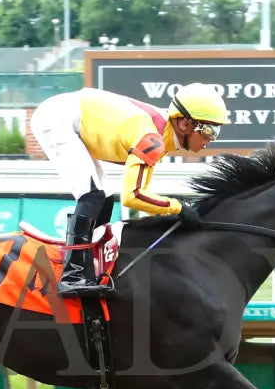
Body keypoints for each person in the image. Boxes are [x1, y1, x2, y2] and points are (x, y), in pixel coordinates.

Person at [29, 82, 231, 297]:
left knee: (104, 198)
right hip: (57, 118)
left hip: (70, 115)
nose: (211, 139)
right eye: (209, 129)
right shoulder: (153, 139)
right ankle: (72, 275)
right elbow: (133, 196)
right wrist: (178, 208)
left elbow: (135, 192)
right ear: (184, 123)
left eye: (216, 131)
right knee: (92, 195)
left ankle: (89, 267)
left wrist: (177, 208)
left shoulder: (159, 135)